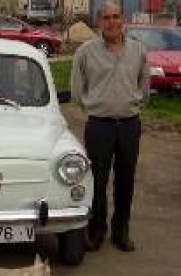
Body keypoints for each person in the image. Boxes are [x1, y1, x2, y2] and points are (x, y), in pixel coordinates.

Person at [71, 2, 149, 252]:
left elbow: (144, 88)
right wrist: (96, 106)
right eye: (107, 17)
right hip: (99, 126)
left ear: (122, 18)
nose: (112, 22)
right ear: (98, 21)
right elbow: (77, 90)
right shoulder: (85, 51)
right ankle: (97, 229)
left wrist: (131, 106)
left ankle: (121, 230)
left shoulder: (138, 50)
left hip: (129, 125)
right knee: (97, 181)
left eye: (116, 16)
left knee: (126, 180)